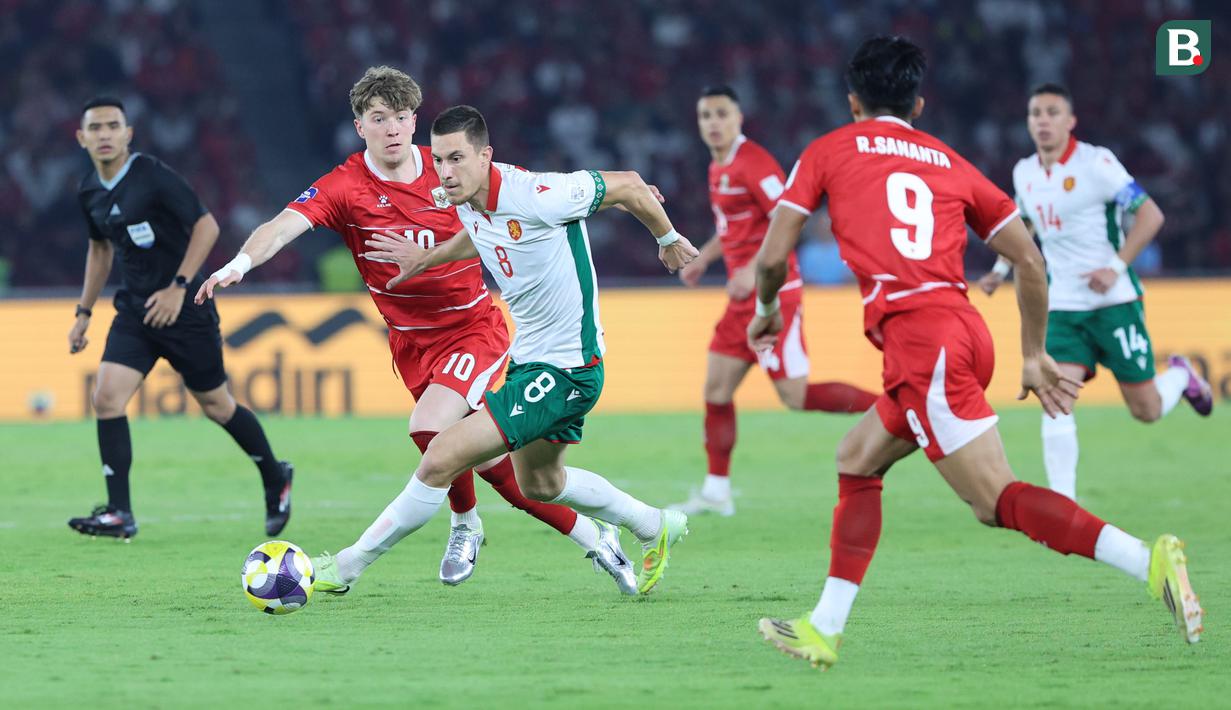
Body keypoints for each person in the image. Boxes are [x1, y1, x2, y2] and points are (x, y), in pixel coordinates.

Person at [751, 37, 1203, 670]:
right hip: (961, 329)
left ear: (853, 101)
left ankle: (1145, 558)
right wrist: (1033, 354)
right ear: (919, 103)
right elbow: (1029, 260)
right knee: (856, 458)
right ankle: (824, 626)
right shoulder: (947, 159)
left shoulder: (828, 149)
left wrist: (768, 313)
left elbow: (772, 257)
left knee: (995, 501)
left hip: (922, 343)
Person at [198, 67, 636, 593]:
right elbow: (281, 226)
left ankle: (463, 526)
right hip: (410, 342)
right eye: (379, 119)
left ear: (414, 121)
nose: (393, 130)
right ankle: (595, 536)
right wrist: (240, 264)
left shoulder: (451, 170)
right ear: (359, 126)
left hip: (474, 328)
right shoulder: (345, 187)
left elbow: (516, 196)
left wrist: (622, 194)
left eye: (402, 118)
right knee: (499, 469)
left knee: (429, 428)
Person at [308, 104, 699, 596]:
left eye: (456, 159)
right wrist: (426, 259)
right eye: (440, 161)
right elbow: (478, 237)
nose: (445, 172)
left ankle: (345, 568)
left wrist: (667, 239)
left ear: (485, 155)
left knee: (439, 453)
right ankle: (653, 524)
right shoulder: (470, 203)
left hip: (567, 370)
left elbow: (628, 184)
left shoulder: (538, 193)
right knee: (541, 484)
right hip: (531, 362)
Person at [68, 97, 292, 540]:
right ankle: (119, 513)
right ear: (82, 138)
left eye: (114, 125)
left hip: (186, 310)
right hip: (135, 310)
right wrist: (83, 312)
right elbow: (99, 250)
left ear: (128, 133)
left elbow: (206, 226)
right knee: (107, 397)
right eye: (96, 128)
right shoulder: (89, 190)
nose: (106, 134)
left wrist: (179, 286)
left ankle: (274, 473)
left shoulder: (152, 176)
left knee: (217, 406)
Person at [975, 83, 1213, 500]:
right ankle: (1064, 508)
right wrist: (1000, 268)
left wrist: (1116, 266)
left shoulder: (1098, 164)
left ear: (1070, 121)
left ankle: (1180, 375)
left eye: (1052, 113)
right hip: (1062, 305)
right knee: (1055, 396)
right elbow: (1024, 227)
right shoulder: (1024, 172)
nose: (1043, 121)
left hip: (1113, 302)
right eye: (1036, 113)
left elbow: (1150, 215)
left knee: (1147, 411)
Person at [669, 86, 879, 517]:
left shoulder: (754, 163)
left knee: (795, 396)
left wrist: (754, 270)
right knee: (716, 388)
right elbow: (731, 228)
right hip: (741, 298)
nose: (713, 122)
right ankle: (716, 490)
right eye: (705, 115)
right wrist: (704, 259)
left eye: (721, 114)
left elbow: (790, 218)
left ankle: (891, 408)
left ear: (738, 117)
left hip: (773, 293)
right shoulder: (718, 166)